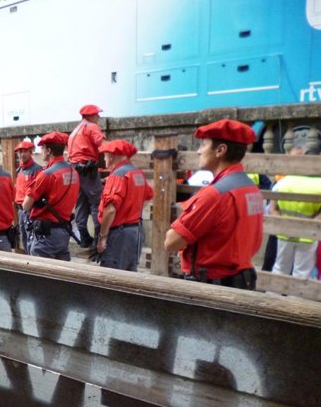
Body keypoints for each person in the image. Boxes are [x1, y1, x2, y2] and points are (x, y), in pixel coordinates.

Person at [164, 119, 264, 289]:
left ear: (220, 150)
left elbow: (171, 242)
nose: (198, 151)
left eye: (203, 145)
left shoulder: (214, 195)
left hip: (214, 286)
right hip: (242, 279)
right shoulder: (250, 188)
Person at [96, 140, 154, 271]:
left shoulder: (117, 176)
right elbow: (149, 195)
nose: (104, 158)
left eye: (105, 155)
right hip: (135, 231)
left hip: (119, 234)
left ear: (112, 155)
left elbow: (110, 210)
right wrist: (131, 210)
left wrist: (102, 237)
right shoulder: (137, 173)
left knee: (112, 277)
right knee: (129, 275)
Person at [22, 132, 80, 260]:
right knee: (62, 276)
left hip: (46, 236)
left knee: (40, 277)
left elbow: (26, 205)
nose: (41, 151)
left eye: (42, 148)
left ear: (48, 151)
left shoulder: (46, 175)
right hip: (64, 231)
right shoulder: (73, 172)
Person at [269, 165, 321, 279]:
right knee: (302, 273)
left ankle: (273, 294)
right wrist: (307, 226)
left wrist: (284, 224)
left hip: (284, 233)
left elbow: (272, 209)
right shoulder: (319, 184)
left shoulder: (283, 182)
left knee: (279, 268)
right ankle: (296, 296)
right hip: (308, 235)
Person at [67, 104, 106, 248]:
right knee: (97, 202)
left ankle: (84, 238)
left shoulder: (76, 130)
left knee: (81, 203)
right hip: (87, 169)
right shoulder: (91, 127)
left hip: (75, 170)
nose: (99, 117)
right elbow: (101, 144)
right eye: (97, 115)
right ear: (89, 116)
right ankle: (98, 238)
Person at [13, 140, 42, 253]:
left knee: (31, 238)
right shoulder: (20, 169)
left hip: (31, 210)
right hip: (20, 210)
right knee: (24, 237)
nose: (21, 154)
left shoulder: (37, 170)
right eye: (19, 152)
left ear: (31, 152)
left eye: (25, 151)